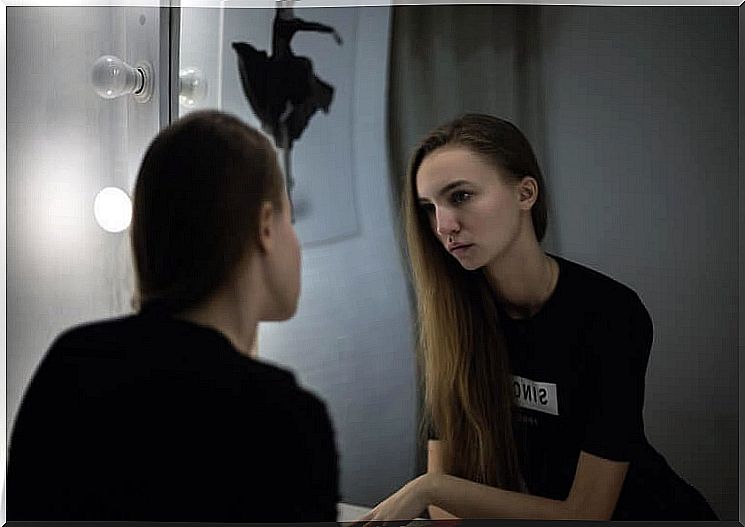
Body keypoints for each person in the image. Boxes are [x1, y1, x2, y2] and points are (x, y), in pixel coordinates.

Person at [358, 113, 718, 522]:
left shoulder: (611, 315)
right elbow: (446, 511)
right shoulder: (452, 322)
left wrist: (429, 486)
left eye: (459, 197)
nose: (443, 226)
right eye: (429, 207)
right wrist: (437, 491)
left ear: (525, 193)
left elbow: (587, 514)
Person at [7, 110, 340, 522]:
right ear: (266, 226)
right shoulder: (283, 417)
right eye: (291, 219)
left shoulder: (71, 362)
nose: (297, 243)